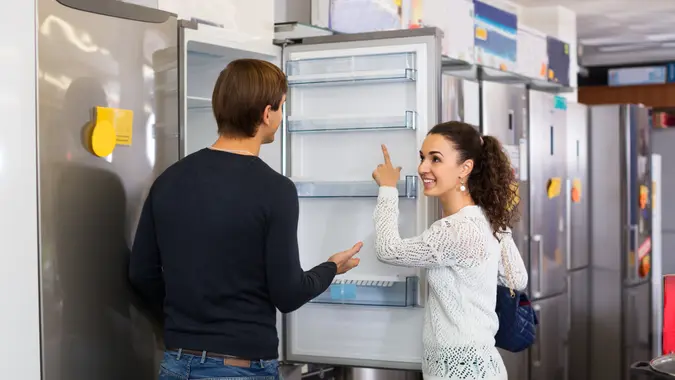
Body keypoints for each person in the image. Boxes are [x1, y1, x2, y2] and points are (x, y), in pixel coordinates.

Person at [129, 58, 362, 380]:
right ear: (267, 113)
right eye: (282, 108)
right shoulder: (274, 190)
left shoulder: (169, 179)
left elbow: (142, 274)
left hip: (176, 363)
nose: (281, 116)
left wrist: (185, 321)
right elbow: (288, 294)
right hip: (240, 367)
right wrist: (332, 267)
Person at [371, 121, 528, 380]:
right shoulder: (483, 220)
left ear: (465, 168)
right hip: (481, 366)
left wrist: (388, 189)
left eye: (435, 159)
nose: (423, 168)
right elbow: (516, 278)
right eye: (423, 158)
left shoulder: (454, 230)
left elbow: (388, 250)